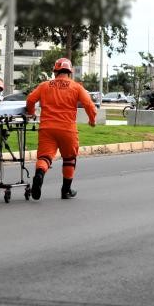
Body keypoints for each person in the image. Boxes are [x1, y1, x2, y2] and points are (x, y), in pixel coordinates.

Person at [25, 57, 97, 200]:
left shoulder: (44, 85)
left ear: (55, 71)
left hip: (47, 128)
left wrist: (32, 113)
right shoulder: (76, 87)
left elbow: (30, 100)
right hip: (67, 129)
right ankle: (66, 190)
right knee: (69, 158)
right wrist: (92, 119)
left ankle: (39, 174)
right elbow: (89, 105)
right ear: (69, 72)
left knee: (45, 157)